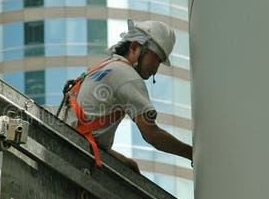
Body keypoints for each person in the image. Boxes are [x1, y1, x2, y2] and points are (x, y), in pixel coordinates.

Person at [60, 18, 192, 173]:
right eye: (156, 58)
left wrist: (121, 160)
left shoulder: (103, 67)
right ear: (135, 47)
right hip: (75, 154)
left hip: (68, 142)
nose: (156, 68)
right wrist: (193, 154)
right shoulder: (128, 76)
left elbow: (85, 130)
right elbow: (151, 134)